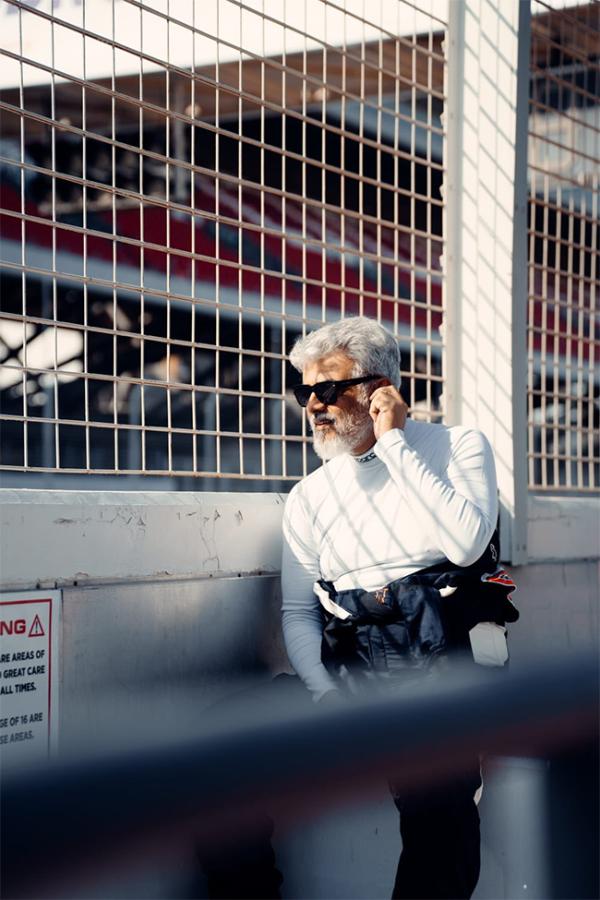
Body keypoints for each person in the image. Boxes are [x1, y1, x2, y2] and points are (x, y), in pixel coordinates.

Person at [281, 315, 515, 900]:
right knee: (215, 748)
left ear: (380, 388)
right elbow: (297, 612)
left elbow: (465, 542)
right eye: (303, 391)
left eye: (328, 388)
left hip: (440, 680)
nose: (313, 405)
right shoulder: (309, 497)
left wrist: (395, 443)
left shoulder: (458, 446)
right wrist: (327, 695)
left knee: (436, 809)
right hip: (349, 681)